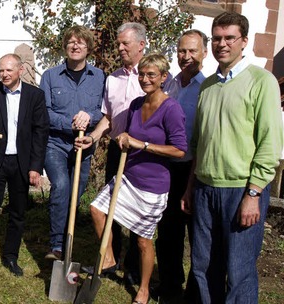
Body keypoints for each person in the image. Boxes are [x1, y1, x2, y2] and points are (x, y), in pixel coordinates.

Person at [181, 12, 283, 304]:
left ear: (244, 42)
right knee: (203, 266)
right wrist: (190, 186)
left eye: (229, 38)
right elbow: (199, 144)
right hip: (204, 189)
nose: (221, 44)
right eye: (216, 38)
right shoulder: (208, 86)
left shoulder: (262, 82)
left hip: (241, 191)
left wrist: (254, 192)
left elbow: (269, 143)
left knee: (238, 272)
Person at [77, 53, 186, 304]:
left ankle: (144, 289)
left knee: (143, 241)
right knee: (96, 209)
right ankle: (109, 259)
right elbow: (124, 129)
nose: (145, 79)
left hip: (152, 186)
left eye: (151, 75)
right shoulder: (137, 104)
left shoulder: (171, 109)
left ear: (163, 78)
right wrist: (120, 137)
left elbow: (179, 149)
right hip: (128, 176)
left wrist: (143, 144)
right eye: (142, 74)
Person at [80, 22, 149, 284]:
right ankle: (111, 258)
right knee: (110, 208)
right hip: (116, 151)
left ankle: (132, 267)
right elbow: (108, 118)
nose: (119, 48)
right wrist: (93, 137)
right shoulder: (113, 78)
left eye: (125, 44)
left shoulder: (152, 76)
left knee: (137, 212)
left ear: (141, 45)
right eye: (119, 43)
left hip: (142, 155)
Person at [0, 53, 49, 276]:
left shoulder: (35, 96)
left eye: (9, 70)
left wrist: (35, 166)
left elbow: (40, 132)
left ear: (20, 71)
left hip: (21, 161)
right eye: (1, 70)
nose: (4, 74)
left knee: (18, 211)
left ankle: (10, 256)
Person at [39, 25, 105, 261]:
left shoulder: (99, 77)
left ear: (88, 48)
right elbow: (44, 112)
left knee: (75, 194)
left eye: (81, 42)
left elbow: (103, 110)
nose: (75, 46)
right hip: (55, 144)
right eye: (71, 42)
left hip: (84, 146)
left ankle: (68, 238)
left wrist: (90, 117)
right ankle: (56, 244)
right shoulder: (50, 76)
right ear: (65, 47)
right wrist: (70, 123)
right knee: (61, 187)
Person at [154, 30, 208, 301]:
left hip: (194, 169)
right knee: (167, 232)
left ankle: (196, 292)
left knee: (196, 235)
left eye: (192, 51)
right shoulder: (171, 85)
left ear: (204, 54)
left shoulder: (207, 88)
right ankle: (169, 286)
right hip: (169, 168)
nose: (186, 57)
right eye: (182, 51)